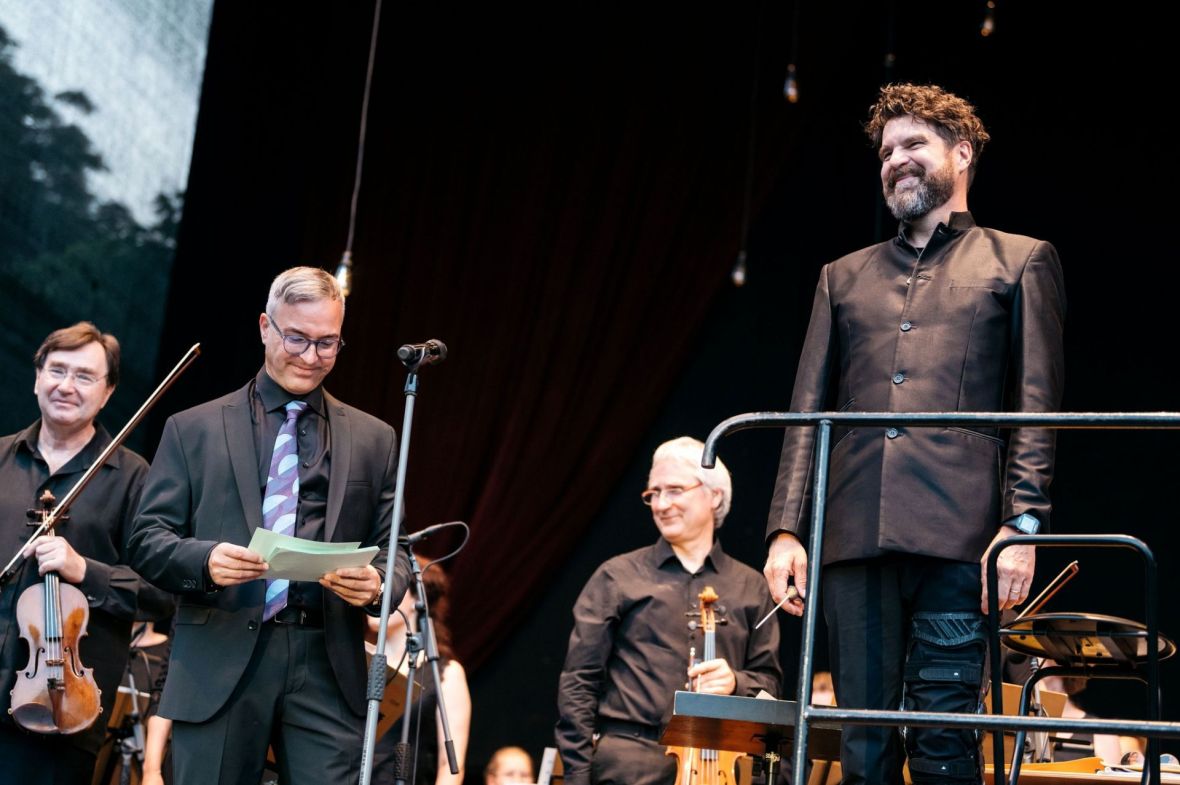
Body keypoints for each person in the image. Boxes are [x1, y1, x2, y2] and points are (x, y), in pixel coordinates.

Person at [763, 83, 1065, 785]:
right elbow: (808, 411)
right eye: (886, 150)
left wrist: (1022, 522)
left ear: (962, 154)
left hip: (961, 540)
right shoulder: (843, 277)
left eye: (913, 144)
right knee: (864, 745)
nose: (895, 159)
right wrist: (785, 529)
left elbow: (1037, 405)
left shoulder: (1020, 260)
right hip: (854, 535)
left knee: (945, 736)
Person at [128, 266, 411, 785]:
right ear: (264, 327)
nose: (310, 356)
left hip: (328, 663)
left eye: (327, 343)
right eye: (296, 338)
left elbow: (399, 553)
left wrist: (379, 586)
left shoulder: (376, 439)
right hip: (220, 653)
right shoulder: (193, 428)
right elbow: (146, 540)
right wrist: (205, 560)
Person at [0, 322, 173, 783]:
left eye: (84, 376)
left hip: (58, 716)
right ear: (37, 376)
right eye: (57, 370)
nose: (66, 386)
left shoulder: (136, 479)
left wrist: (86, 571)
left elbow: (164, 593)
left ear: (108, 391)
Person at [557, 436, 782, 785]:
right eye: (653, 493)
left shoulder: (751, 587)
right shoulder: (616, 577)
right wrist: (577, 776)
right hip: (629, 764)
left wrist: (735, 682)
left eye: (674, 490)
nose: (661, 504)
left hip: (718, 762)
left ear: (715, 495)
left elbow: (771, 687)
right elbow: (579, 684)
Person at [368, 566, 471, 785]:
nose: (378, 595)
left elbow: (451, 767)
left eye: (389, 587)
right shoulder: (355, 661)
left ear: (417, 599)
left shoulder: (446, 673)